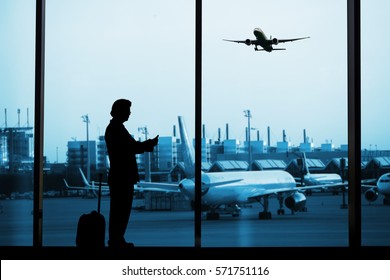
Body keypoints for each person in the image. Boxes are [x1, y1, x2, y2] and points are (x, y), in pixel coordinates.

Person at [104, 99, 158, 249]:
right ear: (120, 111)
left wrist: (147, 144)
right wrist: (149, 144)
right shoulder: (117, 129)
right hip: (122, 176)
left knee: (119, 211)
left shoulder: (115, 128)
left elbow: (131, 147)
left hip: (119, 176)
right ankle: (116, 240)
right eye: (127, 110)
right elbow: (131, 147)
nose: (129, 113)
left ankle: (117, 239)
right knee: (121, 211)